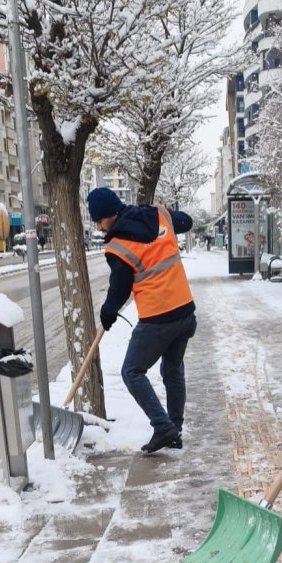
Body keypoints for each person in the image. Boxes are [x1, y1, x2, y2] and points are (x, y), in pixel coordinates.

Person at [88, 186, 196, 454]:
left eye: (99, 220)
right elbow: (187, 221)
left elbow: (120, 288)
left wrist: (108, 313)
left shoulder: (118, 246)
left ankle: (163, 427)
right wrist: (170, 224)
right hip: (184, 311)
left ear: (110, 215)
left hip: (158, 318)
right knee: (172, 370)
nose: (99, 228)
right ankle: (175, 429)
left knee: (131, 371)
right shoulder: (159, 214)